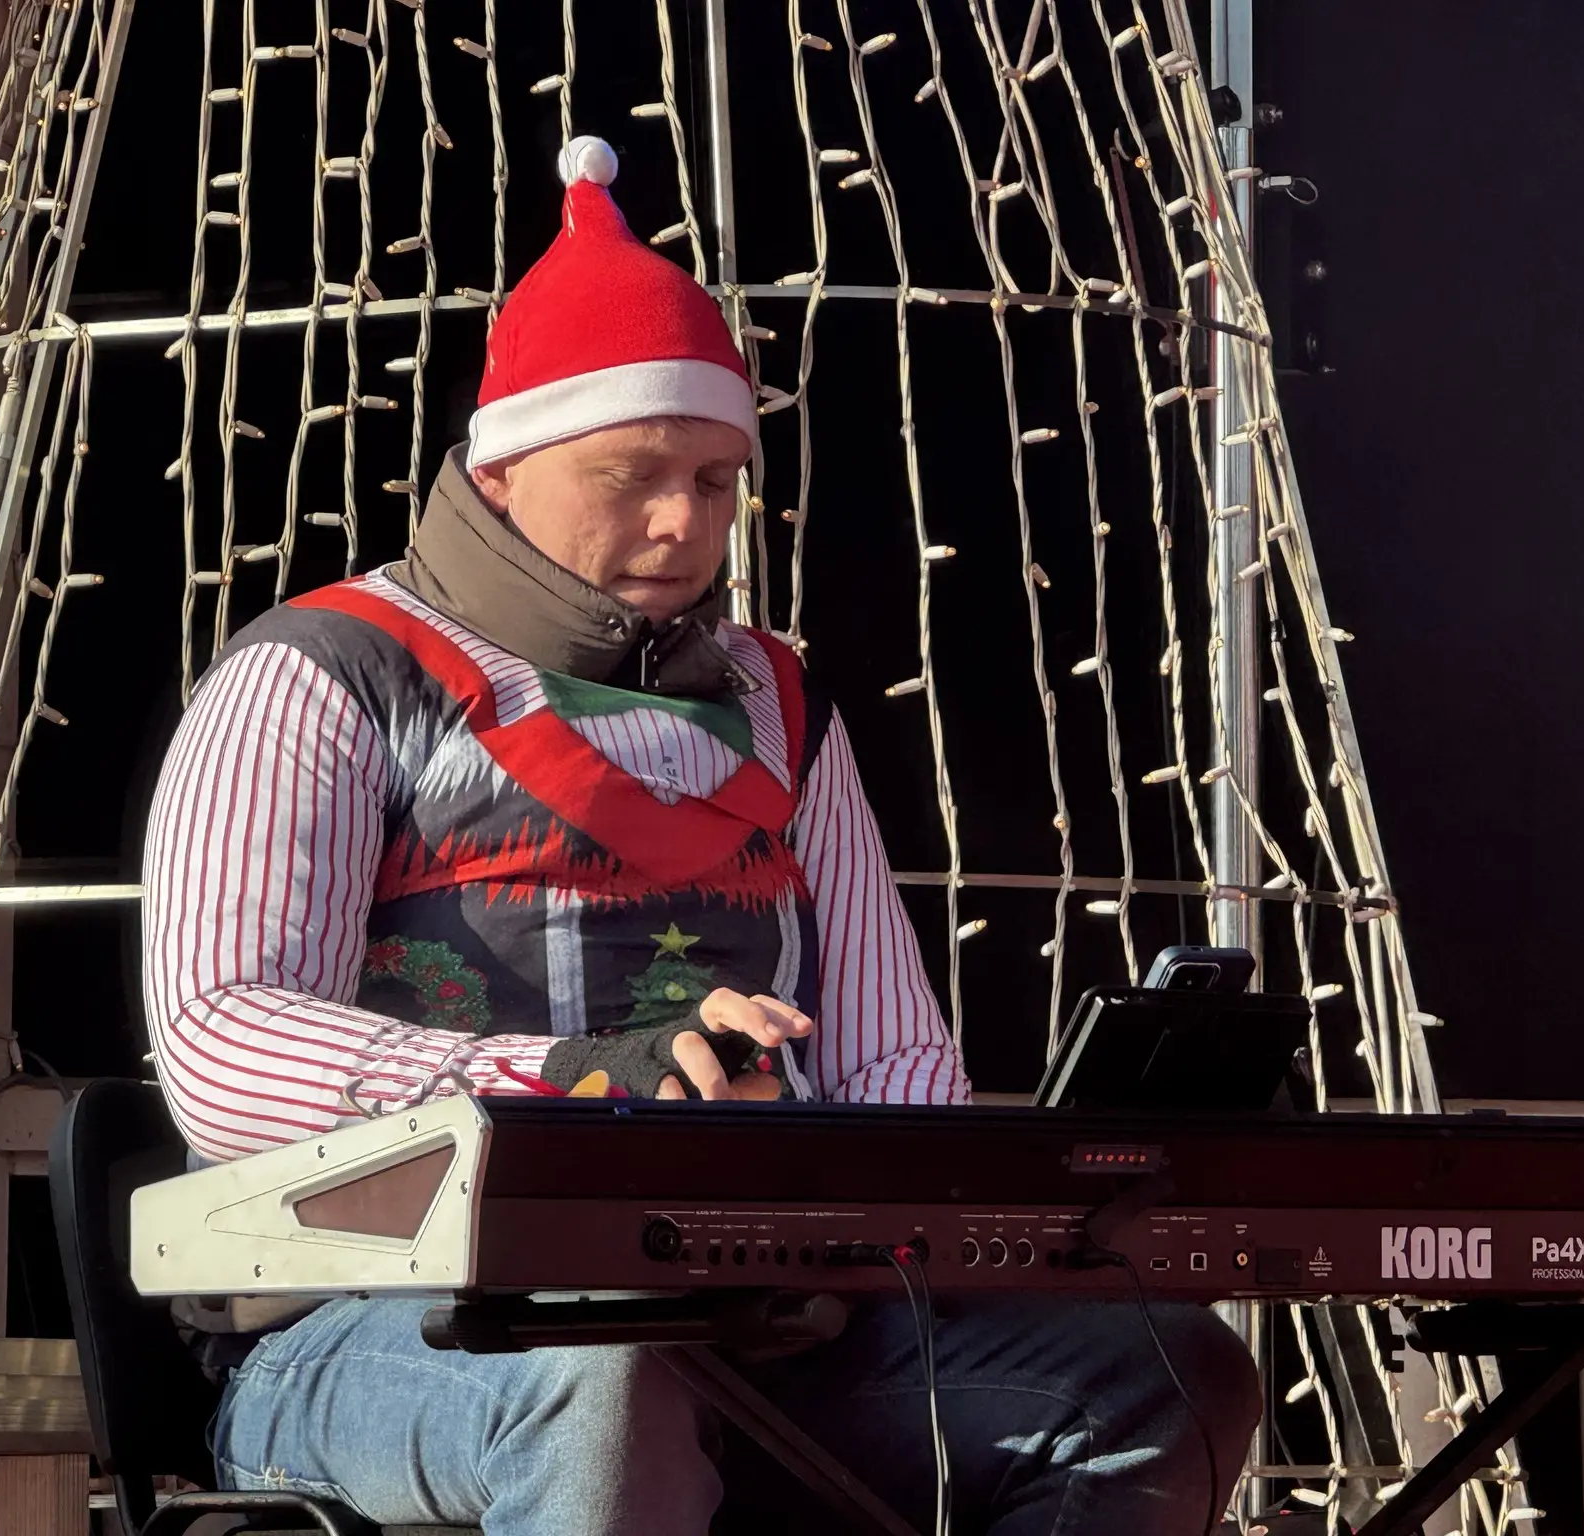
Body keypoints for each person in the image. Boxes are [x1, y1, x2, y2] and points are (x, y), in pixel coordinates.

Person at [140, 135, 1260, 1536]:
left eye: (720, 479)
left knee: (1164, 1377)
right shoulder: (319, 674)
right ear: (501, 472)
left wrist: (1028, 1200)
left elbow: (891, 1062)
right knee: (600, 1370)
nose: (685, 522)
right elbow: (223, 1048)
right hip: (371, 1331)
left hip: (754, 1333)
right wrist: (571, 1082)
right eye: (634, 475)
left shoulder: (782, 704)